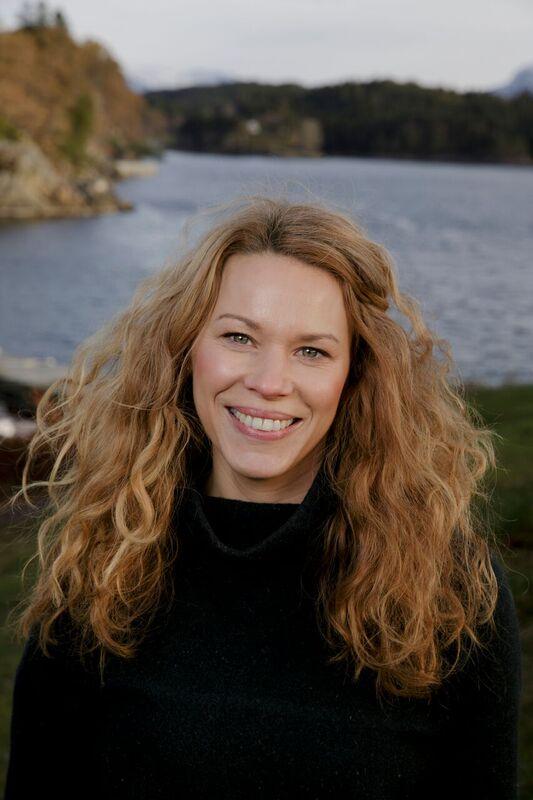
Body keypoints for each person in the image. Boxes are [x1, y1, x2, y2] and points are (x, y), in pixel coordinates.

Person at [4, 195, 522, 799]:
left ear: (355, 375)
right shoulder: (99, 564)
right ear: (185, 350)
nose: (270, 382)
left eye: (311, 351)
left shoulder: (450, 589)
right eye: (239, 337)